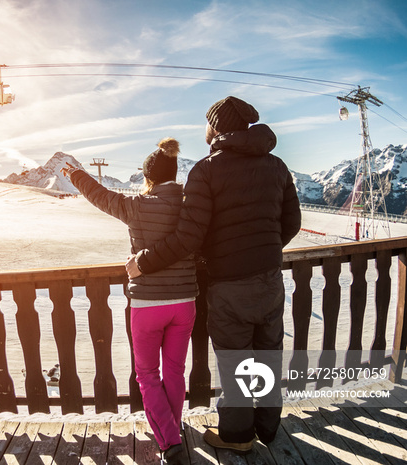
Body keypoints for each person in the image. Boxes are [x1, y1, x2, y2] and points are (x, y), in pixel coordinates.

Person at [126, 96, 301, 454]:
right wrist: (264, 251)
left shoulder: (206, 170)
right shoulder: (277, 166)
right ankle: (268, 427)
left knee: (235, 360)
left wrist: (143, 262)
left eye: (207, 122)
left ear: (217, 127)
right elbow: (292, 222)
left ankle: (237, 437)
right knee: (268, 352)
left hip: (229, 284)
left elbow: (189, 237)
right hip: (270, 279)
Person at [62, 139, 197, 465]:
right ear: (174, 173)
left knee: (147, 375)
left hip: (148, 304)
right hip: (185, 303)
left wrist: (78, 176)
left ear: (147, 178)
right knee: (175, 372)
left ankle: (170, 444)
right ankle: (172, 429)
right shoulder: (191, 208)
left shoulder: (136, 205)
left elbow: (102, 197)